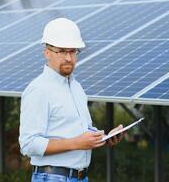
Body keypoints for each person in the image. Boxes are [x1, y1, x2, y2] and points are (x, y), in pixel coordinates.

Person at [19, 18, 123, 182]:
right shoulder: (38, 89)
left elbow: (82, 131)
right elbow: (28, 144)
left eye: (73, 51)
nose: (68, 58)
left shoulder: (77, 88)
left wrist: (103, 138)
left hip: (81, 177)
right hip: (52, 177)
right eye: (62, 51)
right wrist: (76, 143)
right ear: (47, 52)